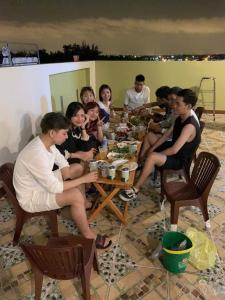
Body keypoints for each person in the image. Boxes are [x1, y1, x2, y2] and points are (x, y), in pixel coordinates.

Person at [13, 112, 111, 248]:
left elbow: (60, 159)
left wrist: (67, 172)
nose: (66, 137)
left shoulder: (46, 142)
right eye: (64, 133)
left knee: (76, 167)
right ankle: (88, 234)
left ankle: (79, 207)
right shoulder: (37, 154)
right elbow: (54, 188)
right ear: (52, 133)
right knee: (75, 194)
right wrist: (83, 180)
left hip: (39, 184)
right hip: (31, 196)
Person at [119, 89, 201, 202]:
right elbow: (166, 135)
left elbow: (174, 150)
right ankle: (139, 166)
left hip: (179, 159)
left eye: (178, 104)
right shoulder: (179, 118)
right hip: (173, 150)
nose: (174, 105)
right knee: (150, 136)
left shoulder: (189, 126)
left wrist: (154, 153)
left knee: (152, 157)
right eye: (175, 102)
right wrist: (152, 148)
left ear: (188, 106)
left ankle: (135, 189)